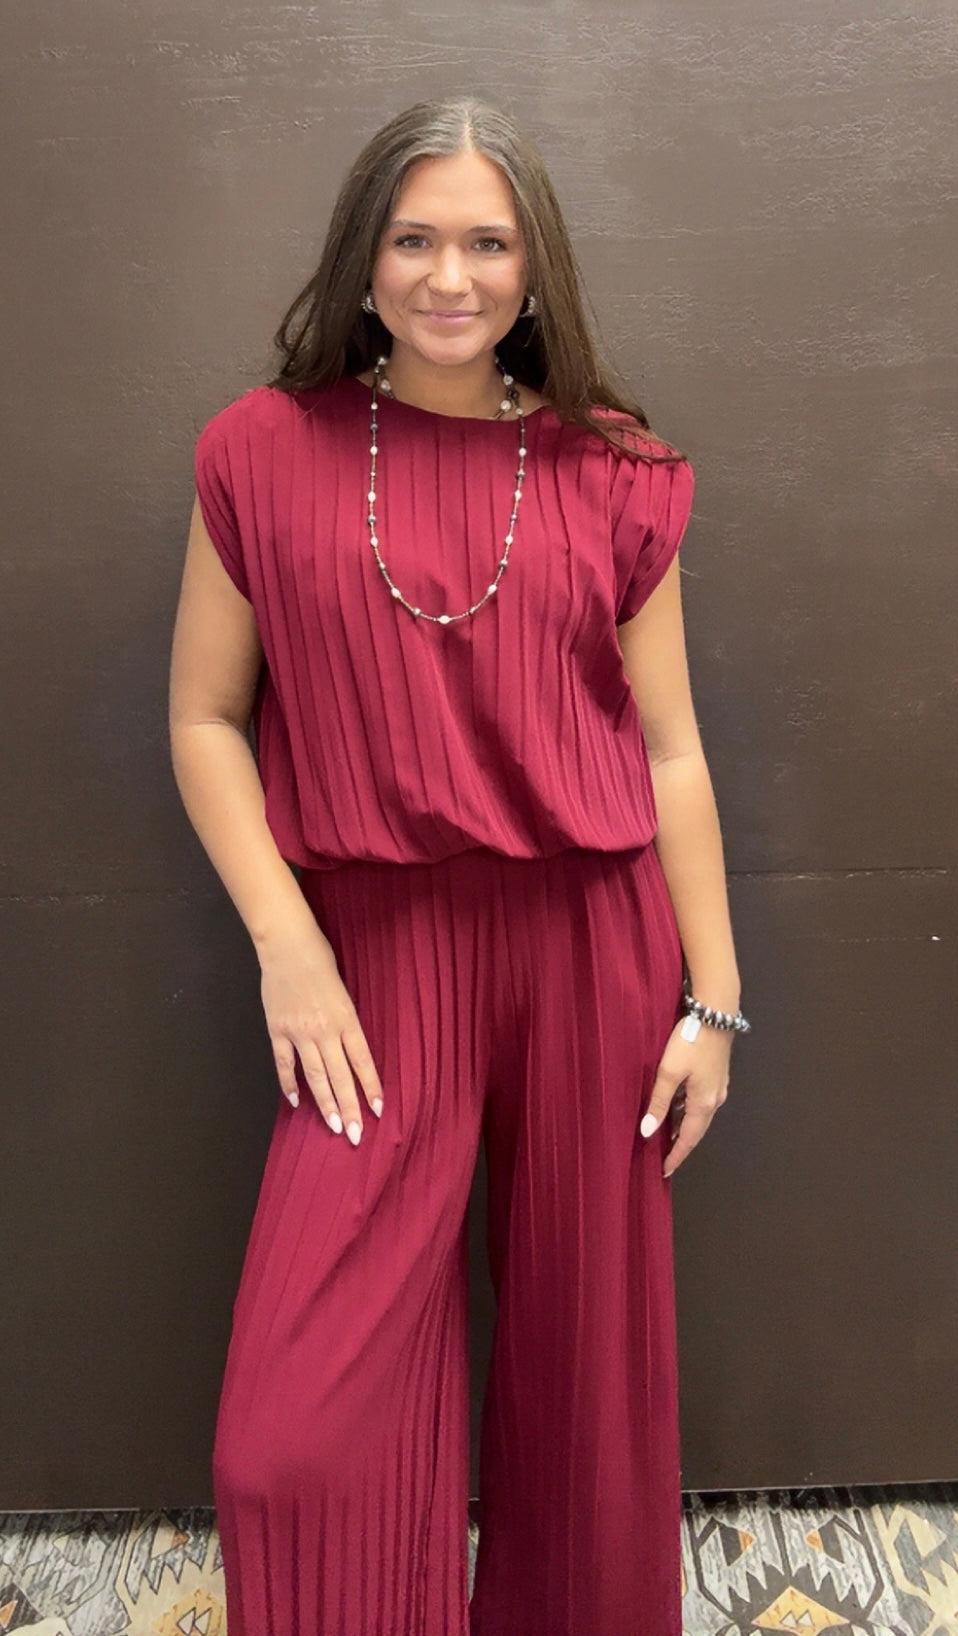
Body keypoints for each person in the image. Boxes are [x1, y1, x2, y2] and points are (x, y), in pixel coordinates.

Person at [169, 94, 746, 1636]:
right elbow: (205, 718)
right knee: (287, 1440)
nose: (448, 276)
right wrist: (289, 945)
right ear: (361, 261)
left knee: (588, 1389)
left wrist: (713, 1002)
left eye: (487, 243)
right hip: (370, 958)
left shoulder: (616, 473)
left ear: (533, 265)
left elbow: (671, 752)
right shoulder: (260, 452)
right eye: (413, 239)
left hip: (590, 943)